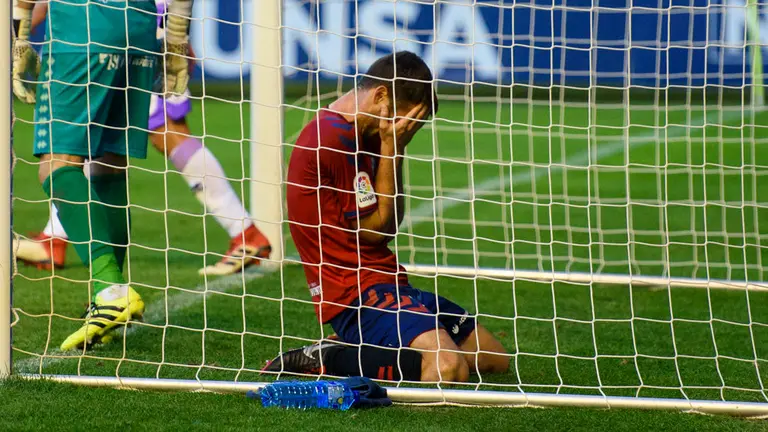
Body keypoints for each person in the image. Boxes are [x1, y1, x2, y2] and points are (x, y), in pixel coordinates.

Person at [264, 52, 509, 382]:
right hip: (355, 293)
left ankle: (361, 348)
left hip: (386, 280)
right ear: (381, 95)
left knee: (491, 358)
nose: (402, 130)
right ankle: (332, 357)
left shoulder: (366, 133)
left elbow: (389, 224)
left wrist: (395, 147)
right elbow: (375, 233)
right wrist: (392, 147)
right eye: (402, 121)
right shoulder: (333, 138)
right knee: (448, 368)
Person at [14, 0, 271, 277]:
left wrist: (21, 27)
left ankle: (245, 231)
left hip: (145, 22)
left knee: (166, 131)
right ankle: (55, 237)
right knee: (91, 134)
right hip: (148, 20)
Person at [11, 0, 193, 351]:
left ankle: (110, 290)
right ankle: (109, 303)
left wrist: (19, 33)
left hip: (82, 23)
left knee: (57, 163)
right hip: (139, 26)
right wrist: (175, 38)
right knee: (109, 163)